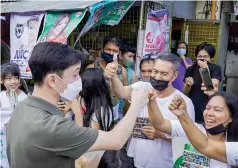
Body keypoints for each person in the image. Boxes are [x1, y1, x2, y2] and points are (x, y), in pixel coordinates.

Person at [6, 42, 149, 168]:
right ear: (53, 81)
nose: (79, 80)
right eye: (75, 75)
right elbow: (116, 140)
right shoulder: (53, 127)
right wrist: (136, 103)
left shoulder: (22, 107)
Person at [104, 52, 195, 168]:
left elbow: (190, 142)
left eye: (164, 74)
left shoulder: (184, 103)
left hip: (166, 164)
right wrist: (113, 76)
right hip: (137, 161)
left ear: (175, 75)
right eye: (155, 71)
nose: (157, 77)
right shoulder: (143, 87)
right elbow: (120, 92)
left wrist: (161, 135)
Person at [147, 88, 238, 167]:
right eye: (208, 108)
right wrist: (151, 101)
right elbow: (160, 123)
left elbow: (206, 145)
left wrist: (183, 116)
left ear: (231, 117)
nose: (209, 113)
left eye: (217, 110)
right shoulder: (191, 128)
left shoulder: (233, 146)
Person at [87, 36, 128, 120]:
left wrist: (126, 118)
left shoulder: (122, 71)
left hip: (114, 116)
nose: (111, 53)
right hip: (94, 115)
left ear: (119, 53)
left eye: (115, 51)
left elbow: (126, 96)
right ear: (102, 50)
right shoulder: (91, 68)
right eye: (108, 49)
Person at [184, 42, 222, 123]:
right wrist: (187, 85)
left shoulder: (215, 69)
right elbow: (185, 92)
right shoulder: (190, 69)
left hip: (208, 107)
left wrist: (204, 69)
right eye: (199, 56)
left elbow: (210, 88)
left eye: (205, 57)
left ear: (210, 57)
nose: (202, 59)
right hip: (192, 107)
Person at [0, 63, 27, 168]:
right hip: (3, 143)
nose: (13, 81)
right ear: (2, 80)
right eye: (9, 78)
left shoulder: (25, 99)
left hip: (19, 142)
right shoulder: (1, 97)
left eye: (16, 77)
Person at [118, 40, 138, 118]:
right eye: (129, 56)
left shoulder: (132, 73)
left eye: (133, 57)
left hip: (123, 111)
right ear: (120, 54)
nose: (132, 60)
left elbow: (131, 97)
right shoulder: (111, 69)